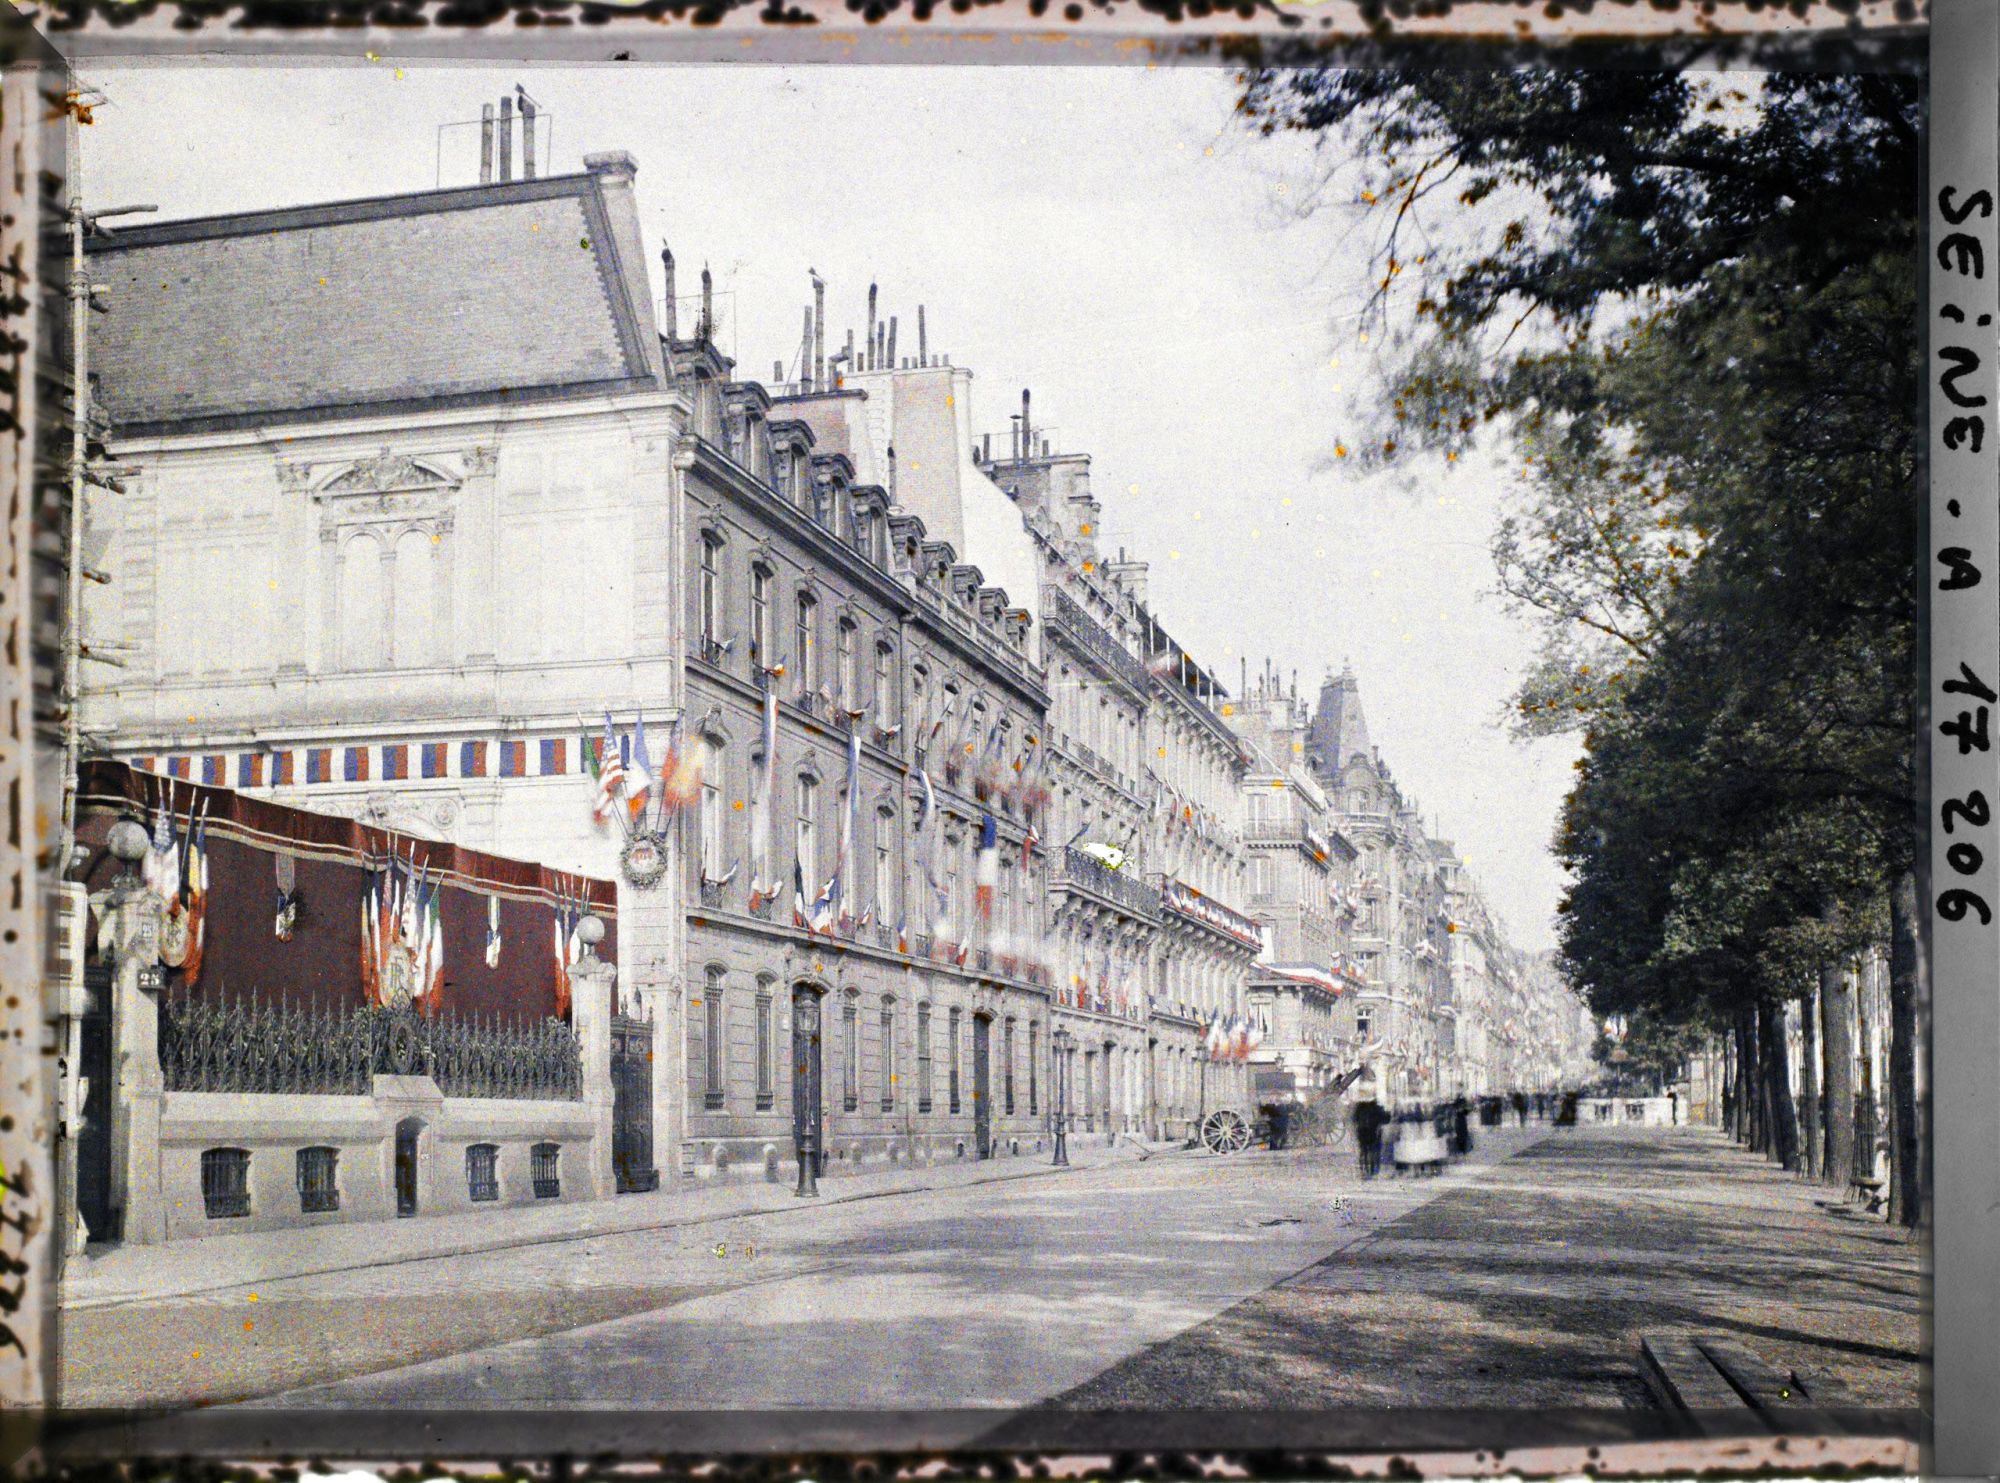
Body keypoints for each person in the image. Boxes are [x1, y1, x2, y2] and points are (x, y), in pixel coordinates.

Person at [1353, 1091, 1386, 1178]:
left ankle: (1364, 1169)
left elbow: (1354, 1119)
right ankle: (1372, 1170)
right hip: (1373, 1131)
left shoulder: (1359, 1107)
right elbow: (1384, 1119)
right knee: (1372, 1151)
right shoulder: (1376, 1108)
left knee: (1363, 1150)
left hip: (1362, 1131)